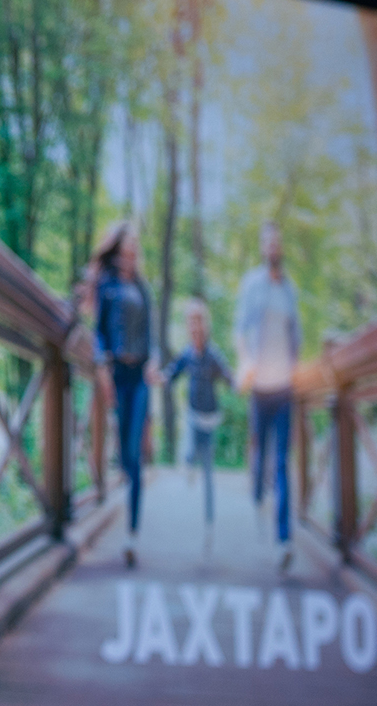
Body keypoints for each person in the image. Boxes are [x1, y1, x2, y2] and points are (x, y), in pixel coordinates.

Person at [87, 221, 160, 567]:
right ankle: (124, 504)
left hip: (140, 377)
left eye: (136, 245)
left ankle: (132, 532)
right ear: (117, 249)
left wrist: (153, 362)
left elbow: (152, 336)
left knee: (133, 452)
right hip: (116, 374)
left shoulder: (143, 288)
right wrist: (102, 368)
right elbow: (98, 332)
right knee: (125, 452)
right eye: (128, 243)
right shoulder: (107, 284)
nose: (132, 249)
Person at [233, 221, 301, 572]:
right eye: (268, 242)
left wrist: (299, 372)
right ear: (263, 248)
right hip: (259, 387)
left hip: (285, 387)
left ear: (281, 248)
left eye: (278, 242)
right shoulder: (252, 286)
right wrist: (245, 363)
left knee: (282, 461)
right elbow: (240, 330)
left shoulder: (290, 290)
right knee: (260, 452)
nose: (273, 247)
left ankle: (284, 538)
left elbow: (297, 337)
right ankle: (257, 496)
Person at [160, 300, 233, 556]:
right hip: (192, 416)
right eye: (191, 322)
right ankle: (187, 463)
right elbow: (172, 372)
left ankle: (209, 523)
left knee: (209, 471)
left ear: (205, 325)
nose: (195, 327)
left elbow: (228, 375)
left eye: (199, 321)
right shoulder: (187, 353)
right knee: (189, 451)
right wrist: (161, 378)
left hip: (210, 418)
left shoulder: (213, 355)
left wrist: (239, 382)